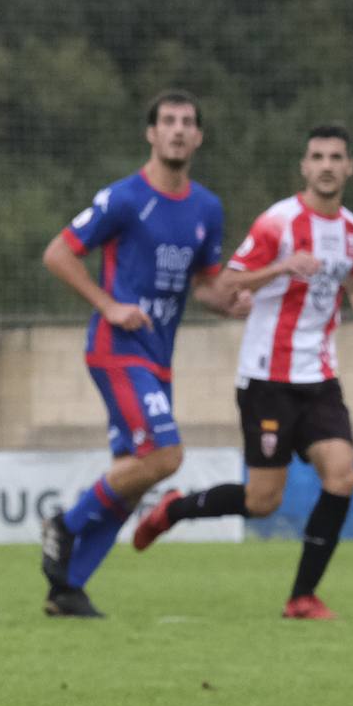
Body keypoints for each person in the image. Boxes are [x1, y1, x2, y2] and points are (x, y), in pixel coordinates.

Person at [130, 124, 353, 618]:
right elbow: (227, 282)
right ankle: (173, 509)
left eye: (336, 157)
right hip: (266, 380)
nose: (326, 165)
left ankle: (301, 597)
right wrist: (280, 268)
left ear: (349, 167)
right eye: (317, 156)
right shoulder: (278, 222)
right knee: (262, 501)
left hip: (319, 378)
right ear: (304, 166)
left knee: (342, 477)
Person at [37, 91, 240, 618]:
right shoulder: (126, 198)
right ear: (151, 134)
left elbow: (208, 288)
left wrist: (251, 299)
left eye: (187, 123)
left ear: (198, 137)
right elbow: (58, 253)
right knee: (165, 457)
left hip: (157, 358)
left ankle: (68, 589)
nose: (177, 130)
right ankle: (65, 523)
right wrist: (109, 306)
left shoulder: (207, 209)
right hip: (116, 350)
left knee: (135, 473)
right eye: (167, 122)